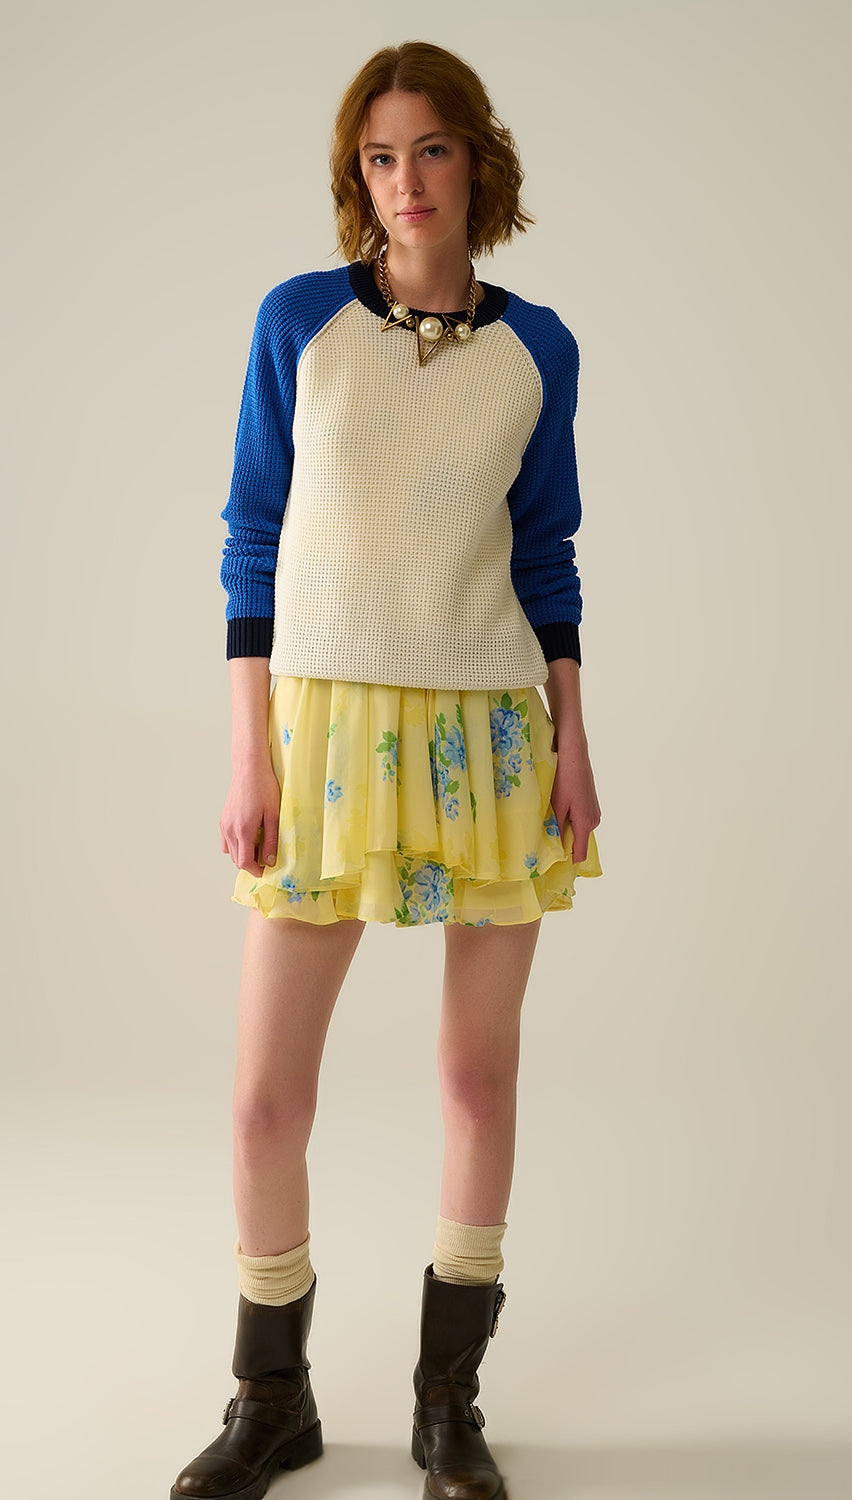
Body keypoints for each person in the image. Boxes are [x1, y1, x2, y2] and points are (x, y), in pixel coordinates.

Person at [170, 39, 601, 1500]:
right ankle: (271, 1398)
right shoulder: (300, 321)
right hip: (326, 735)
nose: (405, 181)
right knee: (263, 1101)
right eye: (378, 156)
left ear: (477, 159)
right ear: (356, 175)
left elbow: (547, 552)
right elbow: (251, 535)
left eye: (430, 149)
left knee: (476, 1079)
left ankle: (445, 1405)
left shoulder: (539, 349)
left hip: (489, 734)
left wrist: (575, 736)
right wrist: (252, 750)